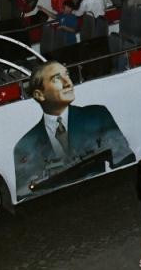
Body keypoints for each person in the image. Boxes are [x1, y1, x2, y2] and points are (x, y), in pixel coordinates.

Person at [12, 60, 134, 199]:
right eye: (57, 79)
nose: (68, 83)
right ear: (39, 95)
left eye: (67, 75)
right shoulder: (24, 145)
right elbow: (26, 193)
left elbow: (124, 159)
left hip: (100, 196)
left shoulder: (97, 115)